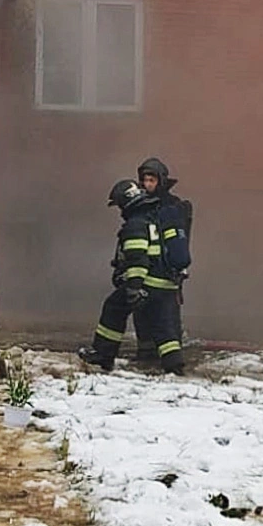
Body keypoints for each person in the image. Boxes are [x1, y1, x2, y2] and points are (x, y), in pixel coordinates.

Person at [78, 179, 185, 375]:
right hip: (167, 284)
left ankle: (103, 354)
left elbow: (137, 258)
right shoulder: (155, 218)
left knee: (114, 307)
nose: (120, 210)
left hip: (147, 282)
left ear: (127, 201)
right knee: (162, 325)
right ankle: (174, 364)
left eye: (120, 204)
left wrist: (134, 287)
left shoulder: (135, 224)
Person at [133, 157, 193, 362]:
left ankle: (173, 364)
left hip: (166, 277)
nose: (147, 184)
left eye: (152, 180)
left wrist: (178, 271)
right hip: (144, 274)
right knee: (143, 322)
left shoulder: (173, 207)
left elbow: (180, 242)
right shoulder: (138, 205)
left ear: (161, 181)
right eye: (144, 180)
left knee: (168, 326)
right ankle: (146, 360)